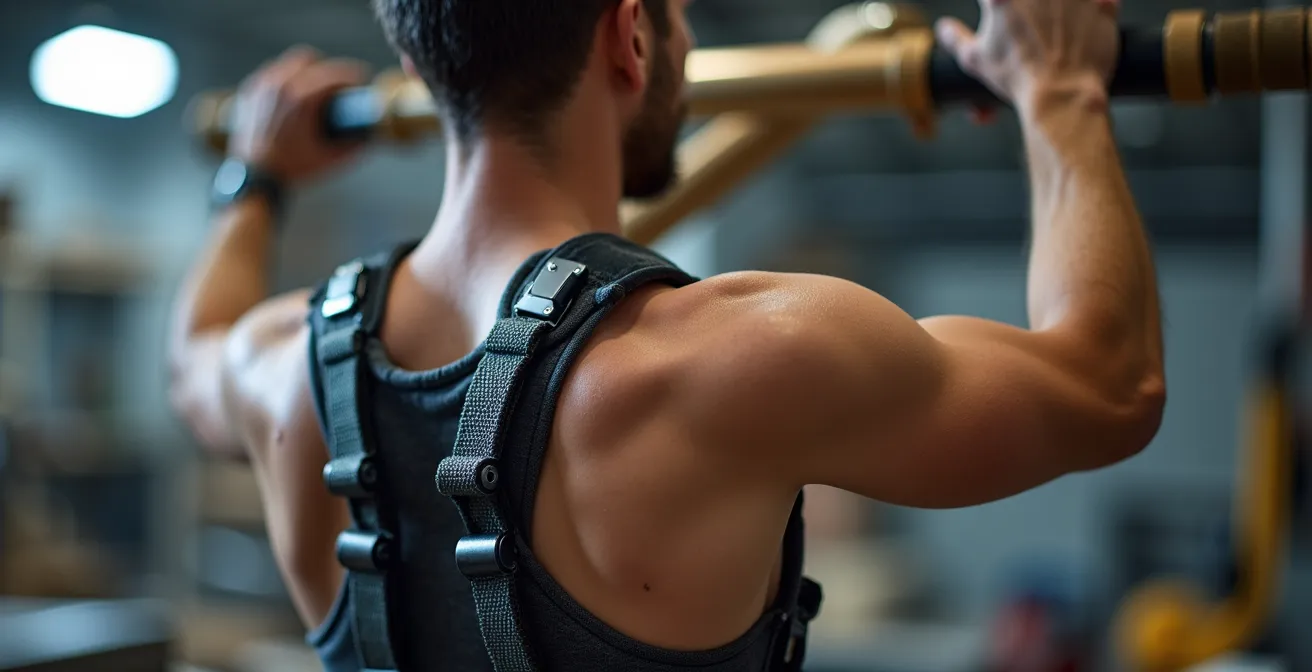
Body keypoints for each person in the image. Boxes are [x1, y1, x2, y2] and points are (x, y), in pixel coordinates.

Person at [167, 0, 1165, 669]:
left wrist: (253, 179)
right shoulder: (743, 356)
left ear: (420, 53)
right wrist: (1059, 90)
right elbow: (1107, 385)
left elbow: (189, 356)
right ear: (628, 36)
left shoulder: (279, 362)